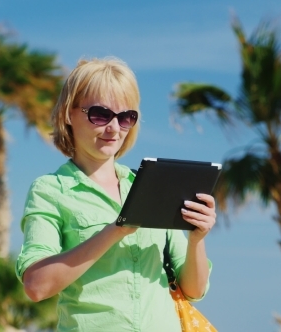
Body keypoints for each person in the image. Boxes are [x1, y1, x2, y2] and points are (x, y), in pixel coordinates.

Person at [15, 57, 216, 332]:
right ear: (68, 114)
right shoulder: (50, 190)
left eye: (125, 117)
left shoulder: (151, 185)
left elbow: (194, 289)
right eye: (100, 114)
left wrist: (197, 238)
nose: (113, 128)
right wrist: (117, 229)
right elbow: (37, 286)